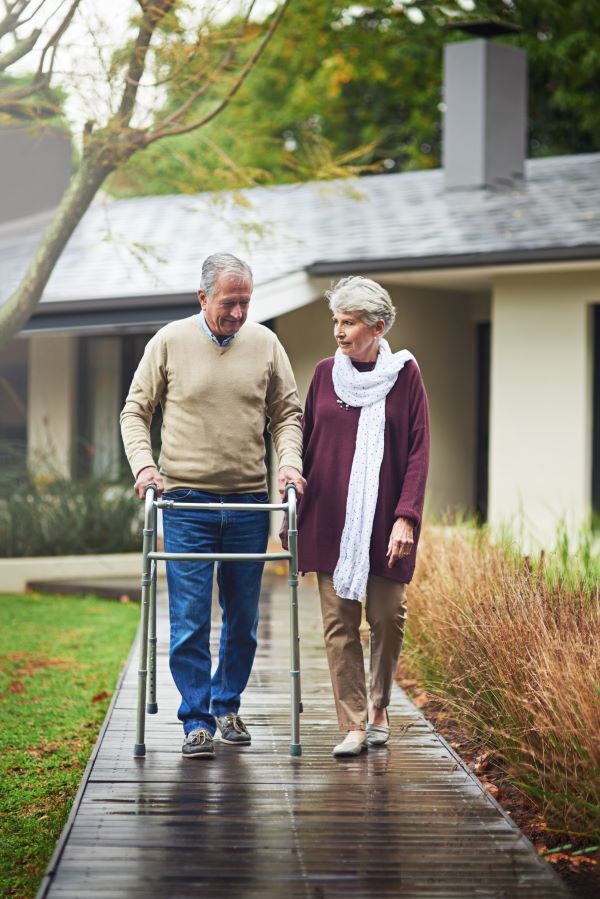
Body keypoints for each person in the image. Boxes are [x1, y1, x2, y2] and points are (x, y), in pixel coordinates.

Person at [121, 253, 305, 760]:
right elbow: (135, 411)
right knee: (190, 618)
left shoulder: (266, 343)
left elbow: (287, 414)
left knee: (244, 618)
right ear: (203, 297)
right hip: (184, 503)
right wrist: (144, 466)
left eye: (247, 301)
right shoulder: (169, 341)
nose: (240, 313)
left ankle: (227, 705)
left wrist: (289, 463)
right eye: (230, 302)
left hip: (248, 501)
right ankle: (196, 720)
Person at [295, 276, 429, 757]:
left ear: (378, 326)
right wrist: (294, 505)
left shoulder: (404, 376)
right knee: (339, 624)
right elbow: (306, 441)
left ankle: (378, 705)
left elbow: (418, 451)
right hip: (331, 519)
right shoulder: (324, 373)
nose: (339, 331)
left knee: (388, 616)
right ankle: (352, 724)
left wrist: (407, 516)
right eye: (336, 320)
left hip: (385, 520)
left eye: (348, 322)